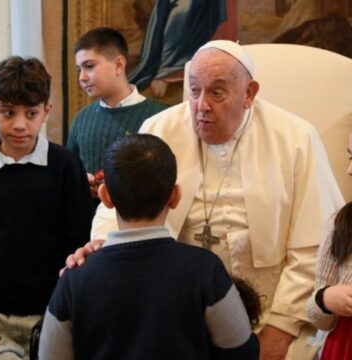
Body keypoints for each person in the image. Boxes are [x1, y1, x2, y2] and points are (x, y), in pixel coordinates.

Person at [67, 40, 344, 360]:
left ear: (249, 93)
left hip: (273, 312)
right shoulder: (159, 129)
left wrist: (280, 327)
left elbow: (316, 245)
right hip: (174, 310)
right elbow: (120, 204)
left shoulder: (296, 138)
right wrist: (102, 249)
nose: (200, 105)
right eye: (194, 90)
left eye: (217, 92)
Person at [39, 134, 259, 359]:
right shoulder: (205, 270)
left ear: (106, 197)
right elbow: (243, 352)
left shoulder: (74, 279)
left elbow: (49, 356)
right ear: (175, 196)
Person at [0, 56, 93, 360]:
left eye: (31, 113)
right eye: (8, 113)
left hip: (52, 313)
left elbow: (78, 241)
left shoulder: (66, 166)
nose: (20, 124)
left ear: (47, 111)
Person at [66, 27, 168, 200]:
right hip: (89, 222)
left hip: (139, 221)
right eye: (79, 70)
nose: (82, 77)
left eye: (89, 66)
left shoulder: (160, 116)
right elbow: (68, 173)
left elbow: (168, 178)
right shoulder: (82, 119)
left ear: (118, 65)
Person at [306, 132, 352, 359]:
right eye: (350, 157)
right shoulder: (341, 223)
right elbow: (318, 318)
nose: (349, 170)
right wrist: (324, 299)